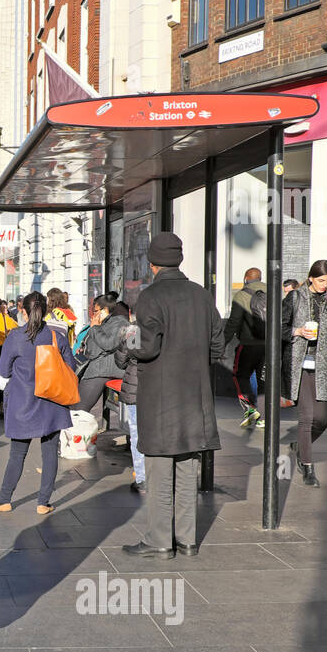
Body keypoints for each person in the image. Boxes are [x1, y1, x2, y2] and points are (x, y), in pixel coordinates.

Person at [118, 233, 223, 559]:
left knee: (160, 471)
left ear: (152, 264)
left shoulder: (151, 297)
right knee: (187, 469)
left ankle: (160, 541)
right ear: (179, 259)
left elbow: (146, 346)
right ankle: (187, 539)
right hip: (195, 398)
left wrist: (128, 335)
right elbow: (217, 345)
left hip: (161, 399)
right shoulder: (202, 296)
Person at [0, 291, 75, 514]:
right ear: (45, 311)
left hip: (23, 402)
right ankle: (43, 502)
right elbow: (70, 367)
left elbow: (3, 370)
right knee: (50, 451)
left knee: (17, 453)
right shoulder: (55, 336)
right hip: (52, 401)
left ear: (23, 311)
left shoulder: (15, 337)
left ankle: (4, 498)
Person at [284, 259, 327, 488]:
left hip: (324, 365)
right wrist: (297, 331)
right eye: (321, 280)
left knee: (322, 420)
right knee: (306, 419)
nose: (325, 285)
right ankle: (308, 468)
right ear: (311, 278)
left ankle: (299, 446)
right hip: (300, 364)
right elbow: (278, 327)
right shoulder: (295, 297)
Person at [73, 294, 130, 425]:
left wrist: (94, 328)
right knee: (75, 407)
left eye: (96, 311)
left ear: (105, 310)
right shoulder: (107, 322)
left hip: (103, 369)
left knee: (79, 409)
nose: (93, 314)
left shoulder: (120, 323)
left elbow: (107, 344)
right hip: (99, 366)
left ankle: (79, 440)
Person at [226, 267, 268, 429]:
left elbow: (233, 323)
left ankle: (249, 409)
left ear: (245, 278)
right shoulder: (273, 293)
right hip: (269, 346)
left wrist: (221, 344)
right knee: (263, 380)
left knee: (239, 375)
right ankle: (263, 418)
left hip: (248, 345)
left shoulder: (241, 295)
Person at [112, 301, 145, 494]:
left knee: (136, 432)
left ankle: (142, 478)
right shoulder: (165, 327)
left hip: (136, 384)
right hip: (160, 386)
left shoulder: (134, 331)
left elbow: (121, 359)